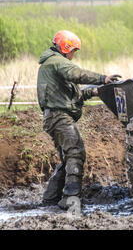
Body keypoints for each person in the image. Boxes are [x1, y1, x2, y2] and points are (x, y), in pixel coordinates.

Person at [37, 30, 121, 210]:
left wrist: (94, 91)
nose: (74, 55)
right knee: (76, 153)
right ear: (66, 48)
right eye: (74, 50)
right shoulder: (57, 62)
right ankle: (70, 197)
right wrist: (102, 78)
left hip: (55, 116)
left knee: (68, 158)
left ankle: (51, 199)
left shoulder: (52, 64)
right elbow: (77, 74)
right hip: (59, 117)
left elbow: (73, 96)